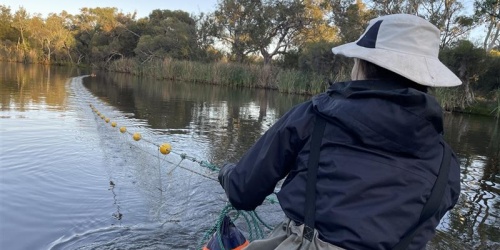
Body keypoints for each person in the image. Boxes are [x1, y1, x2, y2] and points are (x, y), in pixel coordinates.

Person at [218, 14, 461, 250]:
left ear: (363, 67)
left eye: (355, 61)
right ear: (425, 79)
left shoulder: (314, 116)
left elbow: (243, 192)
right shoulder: (447, 164)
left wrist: (226, 172)